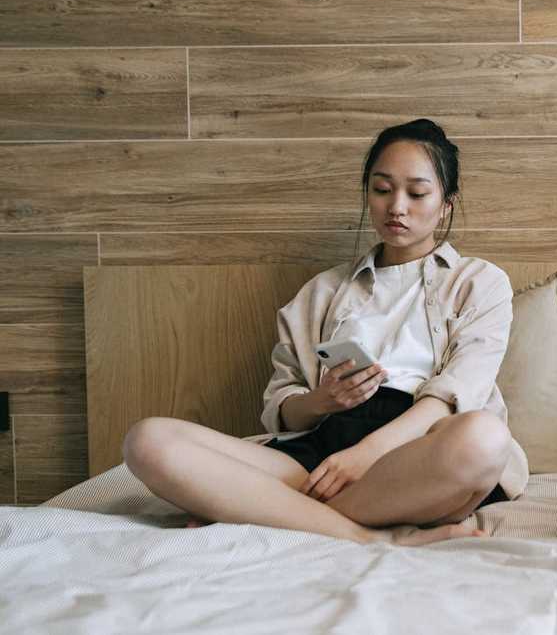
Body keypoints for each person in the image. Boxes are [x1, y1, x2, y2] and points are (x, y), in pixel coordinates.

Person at [124, 118, 528, 546]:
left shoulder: (479, 282)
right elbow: (283, 411)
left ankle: (261, 510)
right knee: (148, 440)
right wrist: (321, 400)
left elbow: (456, 394)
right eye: (382, 188)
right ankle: (368, 534)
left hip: (419, 453)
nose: (397, 207)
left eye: (418, 192)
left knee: (483, 439)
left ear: (446, 203)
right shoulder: (322, 292)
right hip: (322, 454)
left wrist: (366, 455)